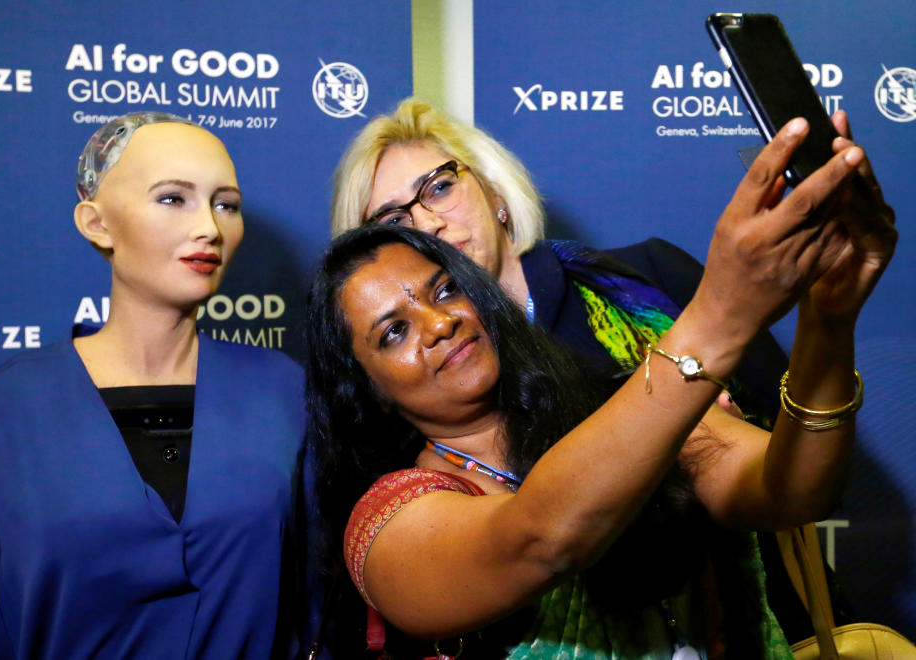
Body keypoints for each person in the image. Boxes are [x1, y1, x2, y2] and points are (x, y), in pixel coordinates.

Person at [307, 115, 896, 658]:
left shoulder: (614, 397)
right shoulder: (388, 522)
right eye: (393, 333)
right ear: (368, 387)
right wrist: (719, 315)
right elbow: (541, 538)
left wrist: (828, 322)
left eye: (444, 292)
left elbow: (792, 490)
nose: (440, 324)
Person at [0, 112, 306, 658]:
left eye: (226, 204)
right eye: (173, 198)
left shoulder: (283, 393)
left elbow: (317, 607)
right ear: (96, 223)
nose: (209, 229)